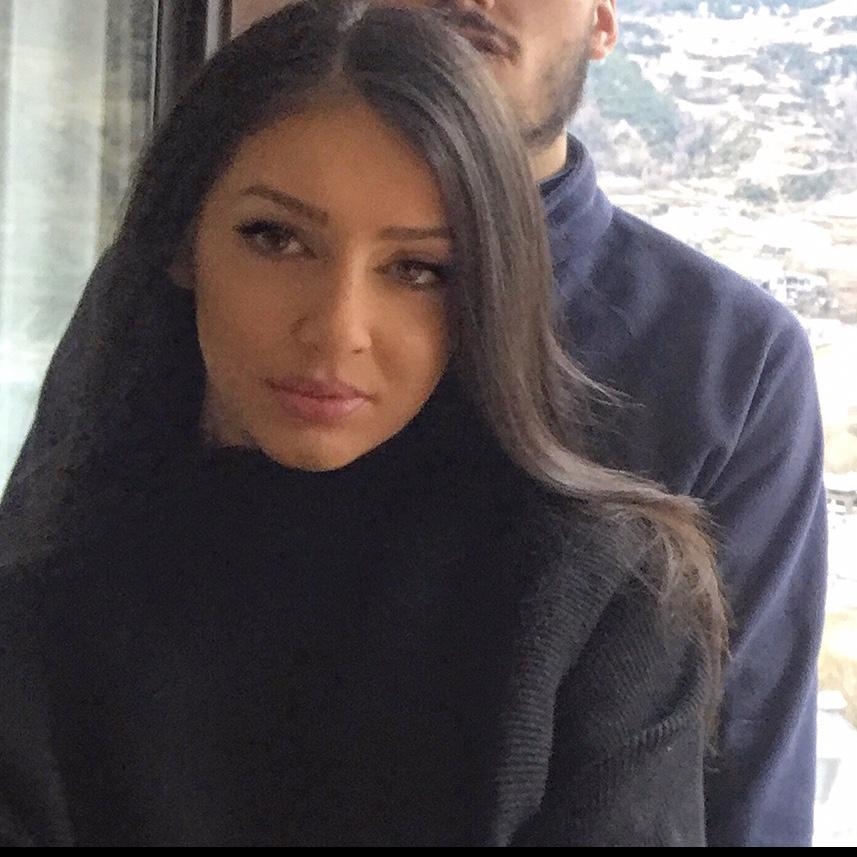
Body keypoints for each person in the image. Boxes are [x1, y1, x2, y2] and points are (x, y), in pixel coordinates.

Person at [0, 1, 725, 847]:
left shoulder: (601, 604)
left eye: (416, 269)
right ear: (183, 242)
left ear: (484, 291)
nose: (337, 328)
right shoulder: (49, 591)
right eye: (276, 238)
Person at [345, 0, 824, 848]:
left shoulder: (725, 358)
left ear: (602, 23)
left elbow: (742, 771)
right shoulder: (224, 291)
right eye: (277, 237)